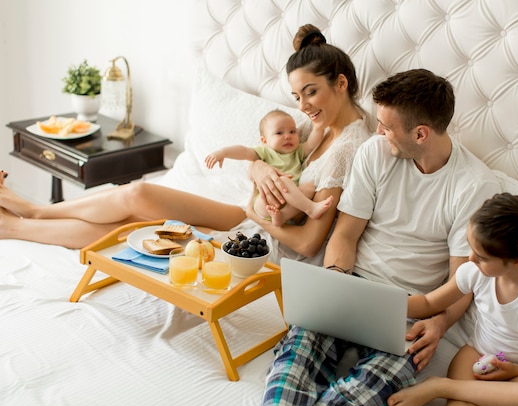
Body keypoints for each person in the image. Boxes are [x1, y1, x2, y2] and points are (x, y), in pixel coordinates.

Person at [0, 24, 371, 267]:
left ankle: (24, 220)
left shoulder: (351, 147)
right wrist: (256, 167)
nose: (303, 106)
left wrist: (257, 213)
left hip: (254, 240)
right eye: (296, 96)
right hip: (242, 212)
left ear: (341, 83)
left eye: (311, 93)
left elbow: (308, 244)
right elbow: (269, 155)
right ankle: (30, 214)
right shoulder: (314, 124)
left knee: (133, 221)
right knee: (138, 197)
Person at [259, 68, 502, 406]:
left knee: (349, 405)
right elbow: (345, 234)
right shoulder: (375, 152)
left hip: (408, 313)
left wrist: (439, 323)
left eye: (386, 126)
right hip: (351, 286)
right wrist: (334, 283)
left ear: (420, 133)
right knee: (290, 372)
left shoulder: (475, 185)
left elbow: (461, 281)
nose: (377, 131)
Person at [387, 192, 518, 406]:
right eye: (470, 248)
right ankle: (453, 391)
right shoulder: (476, 272)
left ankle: (438, 386)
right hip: (476, 356)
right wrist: (382, 302)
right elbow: (429, 302)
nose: (470, 258)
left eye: (481, 256)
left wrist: (516, 370)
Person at [204, 109, 333, 227]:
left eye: (292, 131)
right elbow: (244, 151)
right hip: (265, 202)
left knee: (310, 187)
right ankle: (311, 208)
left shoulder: (297, 152)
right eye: (279, 133)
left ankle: (283, 216)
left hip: (293, 203)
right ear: (264, 141)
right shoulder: (266, 151)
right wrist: (223, 152)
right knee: (283, 180)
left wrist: (318, 127)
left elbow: (311, 144)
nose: (287, 136)